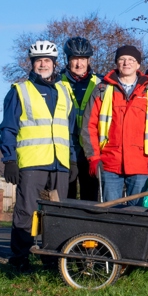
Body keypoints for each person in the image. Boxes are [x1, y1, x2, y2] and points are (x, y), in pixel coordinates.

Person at [0, 40, 77, 271]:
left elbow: (69, 130)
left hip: (60, 163)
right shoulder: (20, 91)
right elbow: (8, 128)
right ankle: (20, 259)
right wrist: (9, 159)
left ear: (55, 63)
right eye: (38, 61)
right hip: (32, 162)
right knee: (26, 211)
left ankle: (53, 260)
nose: (43, 64)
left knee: (57, 213)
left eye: (47, 60)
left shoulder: (65, 91)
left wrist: (72, 159)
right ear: (32, 64)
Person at [82, 45, 148, 205]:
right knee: (110, 215)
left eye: (131, 59)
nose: (126, 63)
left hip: (141, 164)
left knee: (137, 217)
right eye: (122, 59)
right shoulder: (101, 90)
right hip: (109, 164)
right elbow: (89, 127)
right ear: (116, 63)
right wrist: (93, 157)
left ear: (138, 65)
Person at [60, 37, 102, 201]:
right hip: (65, 151)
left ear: (89, 60)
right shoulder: (57, 82)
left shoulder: (101, 83)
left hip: (90, 151)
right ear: (68, 60)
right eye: (74, 59)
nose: (79, 64)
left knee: (90, 200)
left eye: (83, 59)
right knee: (65, 200)